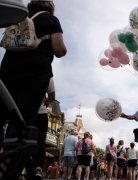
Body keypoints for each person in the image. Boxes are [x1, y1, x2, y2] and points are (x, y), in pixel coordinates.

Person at [0, 0, 67, 178]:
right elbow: (58, 49)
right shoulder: (51, 20)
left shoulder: (20, 16)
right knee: (21, 120)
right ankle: (8, 168)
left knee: (4, 115)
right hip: (34, 74)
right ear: (49, 6)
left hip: (8, 71)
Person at [34, 78, 55, 178]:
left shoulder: (19, 66)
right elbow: (52, 96)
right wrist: (46, 101)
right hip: (40, 113)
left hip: (22, 111)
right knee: (40, 142)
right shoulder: (46, 72)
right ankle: (38, 169)